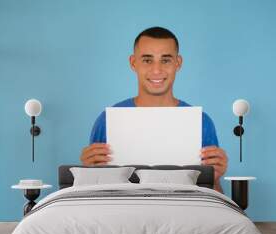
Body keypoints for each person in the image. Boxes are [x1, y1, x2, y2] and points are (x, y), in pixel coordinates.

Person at [80, 27, 228, 192]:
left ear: (177, 63)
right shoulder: (107, 120)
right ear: (133, 63)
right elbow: (94, 195)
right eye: (147, 60)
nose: (156, 70)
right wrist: (88, 173)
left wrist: (214, 179)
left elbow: (214, 199)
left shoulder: (201, 122)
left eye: (165, 60)